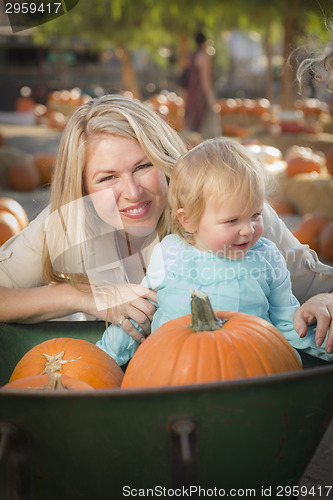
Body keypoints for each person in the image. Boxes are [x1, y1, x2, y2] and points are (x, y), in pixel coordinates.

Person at [0, 94, 332, 349]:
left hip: (237, 371)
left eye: (143, 166)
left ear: (166, 160)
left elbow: (322, 285)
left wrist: (325, 300)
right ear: (83, 187)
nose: (131, 192)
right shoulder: (64, 224)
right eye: (106, 178)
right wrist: (84, 297)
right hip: (123, 380)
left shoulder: (234, 217)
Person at [97, 138, 333, 365]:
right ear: (188, 220)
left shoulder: (267, 256)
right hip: (175, 366)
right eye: (232, 221)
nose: (247, 230)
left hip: (250, 365)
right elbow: (140, 314)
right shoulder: (169, 254)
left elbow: (287, 322)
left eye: (256, 215)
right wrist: (103, 357)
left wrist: (326, 347)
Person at [184, 32, 221, 139]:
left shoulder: (193, 55)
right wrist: (210, 97)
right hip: (201, 96)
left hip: (193, 93)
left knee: (193, 129)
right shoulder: (203, 57)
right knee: (207, 131)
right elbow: (205, 79)